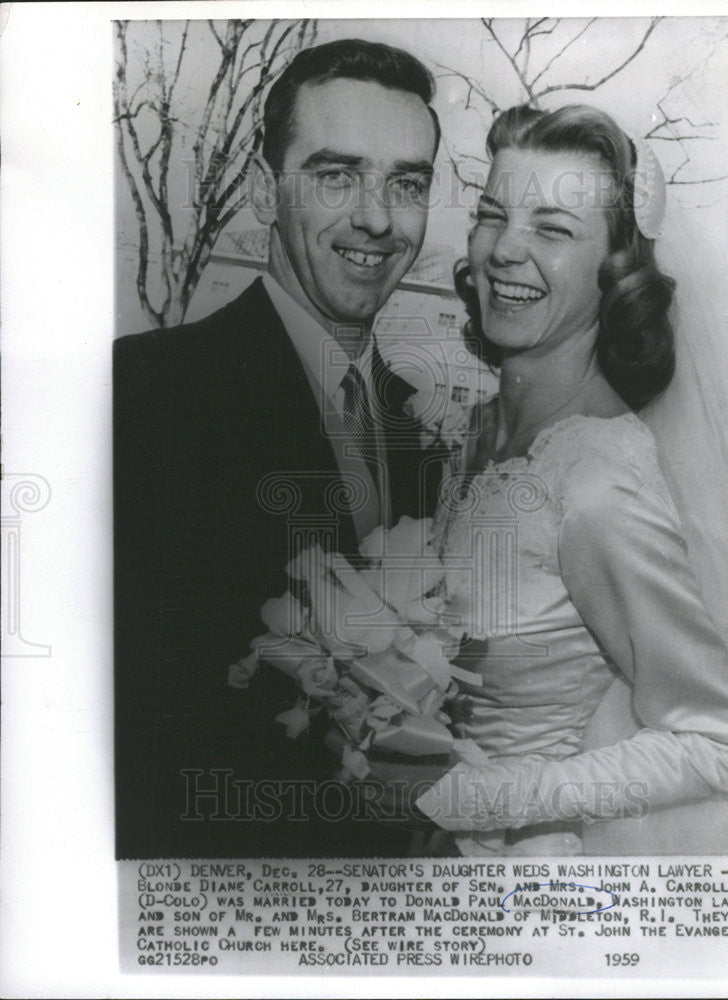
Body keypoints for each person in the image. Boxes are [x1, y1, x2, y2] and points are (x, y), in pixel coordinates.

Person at [405, 103, 728, 856]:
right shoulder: (466, 431)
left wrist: (466, 795)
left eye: (552, 229)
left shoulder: (598, 479)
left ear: (615, 271)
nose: (506, 250)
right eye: (492, 215)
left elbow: (717, 741)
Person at [114, 39, 445, 859]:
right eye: (337, 175)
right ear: (266, 192)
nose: (377, 217)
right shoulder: (145, 394)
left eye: (407, 183)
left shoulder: (421, 428)